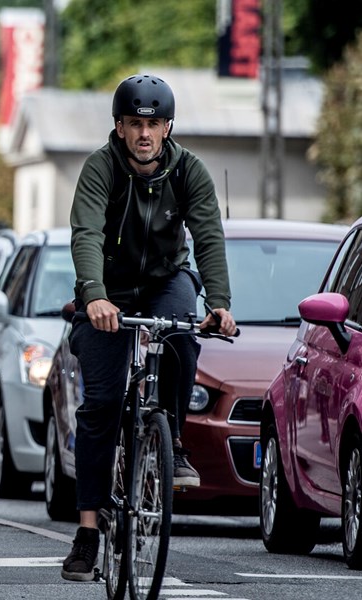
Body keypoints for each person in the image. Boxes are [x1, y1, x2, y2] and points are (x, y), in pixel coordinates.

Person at [61, 74, 237, 582]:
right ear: (119, 127)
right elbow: (86, 233)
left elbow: (208, 236)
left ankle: (172, 441)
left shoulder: (189, 172)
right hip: (107, 291)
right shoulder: (100, 169)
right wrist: (93, 296)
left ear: (167, 128)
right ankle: (88, 531)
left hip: (166, 281)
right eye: (134, 123)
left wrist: (220, 304)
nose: (144, 133)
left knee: (183, 333)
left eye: (153, 124)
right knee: (100, 405)